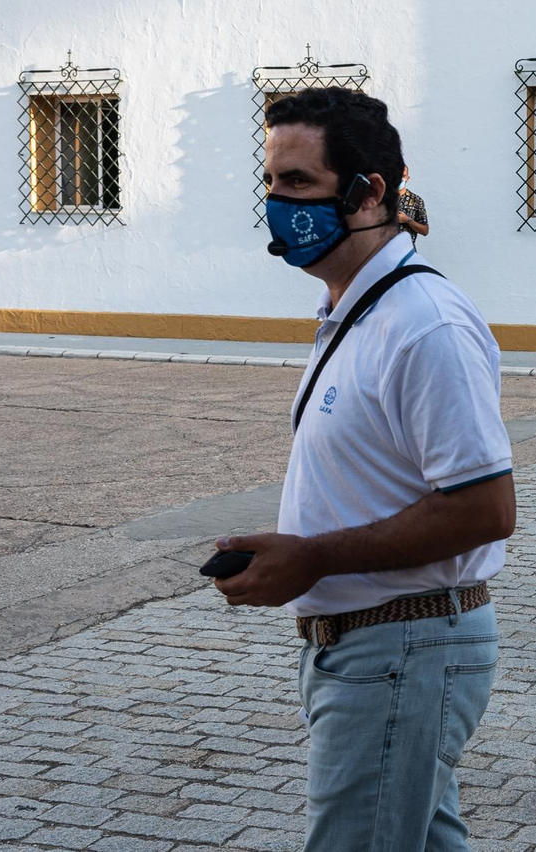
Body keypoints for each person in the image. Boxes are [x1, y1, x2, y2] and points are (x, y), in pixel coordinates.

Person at [209, 87, 516, 852]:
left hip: (402, 650)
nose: (278, 203)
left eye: (298, 182)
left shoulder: (425, 324)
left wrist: (313, 557)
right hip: (368, 649)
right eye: (271, 182)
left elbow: (485, 510)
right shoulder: (356, 312)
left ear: (368, 191)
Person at [398, 164, 430, 246]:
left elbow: (425, 231)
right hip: (384, 250)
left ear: (407, 178)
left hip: (406, 249)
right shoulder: (382, 198)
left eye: (403, 176)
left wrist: (408, 220)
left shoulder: (416, 200)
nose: (399, 178)